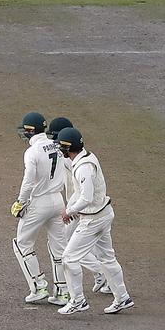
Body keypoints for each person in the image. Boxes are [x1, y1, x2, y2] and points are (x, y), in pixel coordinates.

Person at [55, 128, 134, 315]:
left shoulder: (83, 168)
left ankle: (78, 301)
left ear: (68, 148)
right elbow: (78, 193)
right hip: (103, 214)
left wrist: (70, 211)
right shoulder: (85, 158)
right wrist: (70, 207)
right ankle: (122, 298)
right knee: (107, 258)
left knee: (69, 258)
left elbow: (87, 198)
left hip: (93, 220)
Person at [46, 116, 110, 301]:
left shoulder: (70, 159)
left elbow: (81, 191)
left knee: (67, 246)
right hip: (81, 206)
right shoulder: (75, 154)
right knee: (91, 245)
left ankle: (100, 275)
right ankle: (103, 276)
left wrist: (70, 209)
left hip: (79, 206)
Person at [10, 112, 70, 305]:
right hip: (58, 201)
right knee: (58, 248)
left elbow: (28, 181)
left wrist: (20, 202)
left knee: (22, 244)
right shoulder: (58, 145)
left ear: (29, 130)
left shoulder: (32, 152)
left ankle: (38, 286)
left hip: (38, 202)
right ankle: (62, 292)